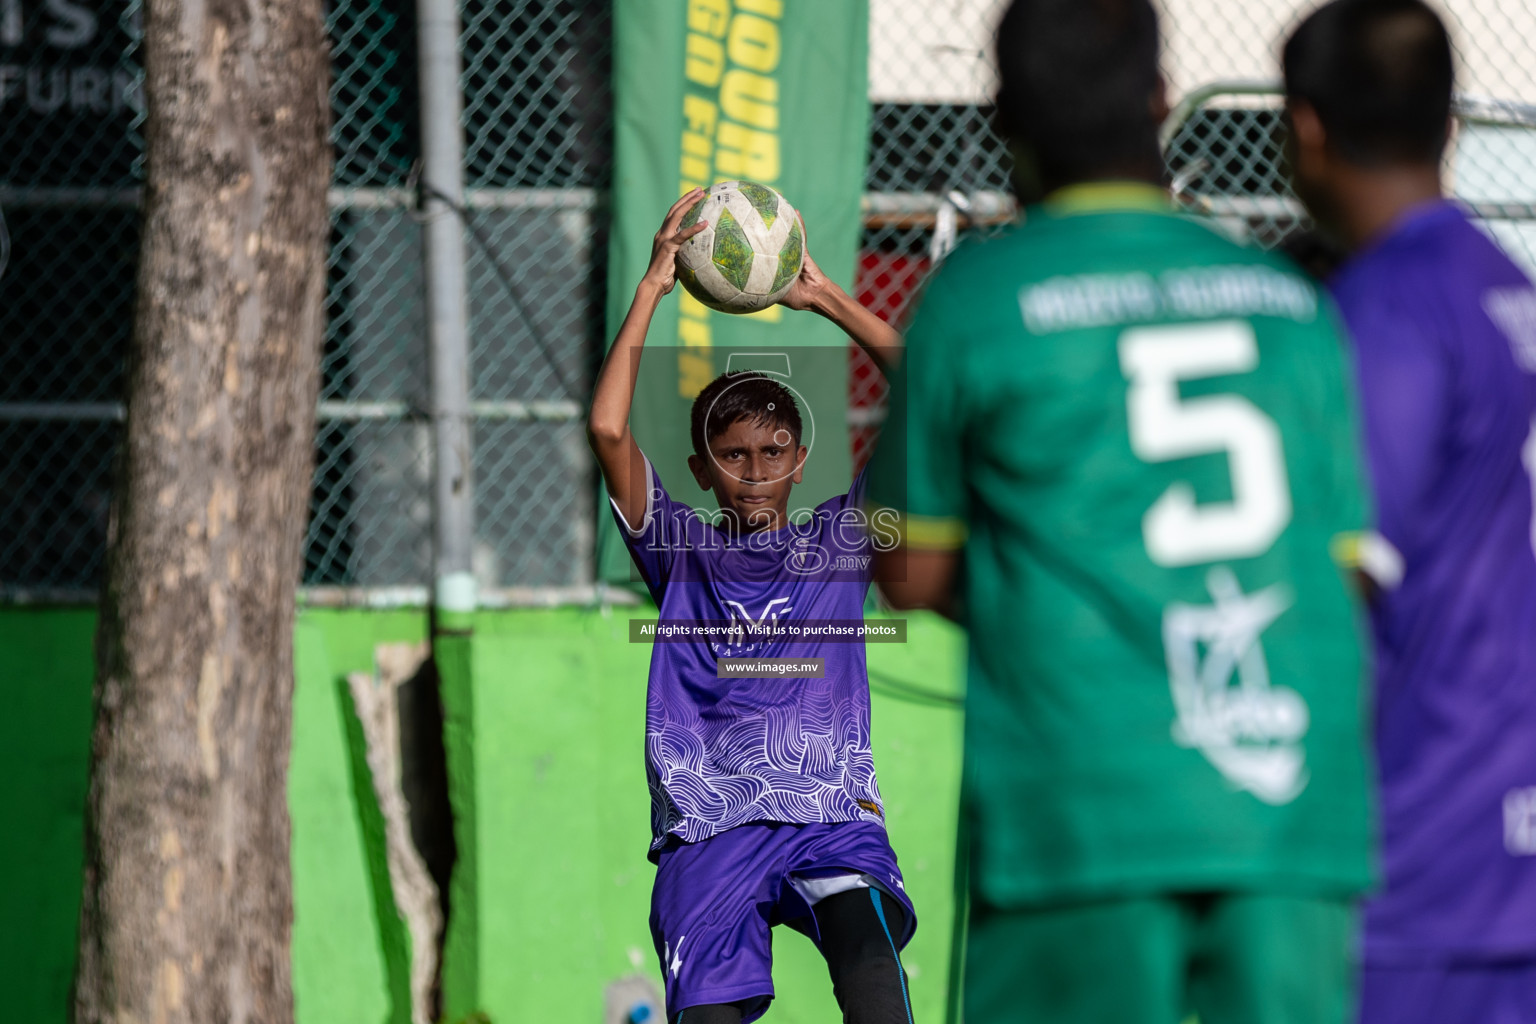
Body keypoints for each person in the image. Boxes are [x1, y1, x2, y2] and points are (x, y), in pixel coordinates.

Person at [865, 0, 1376, 1020]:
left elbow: (902, 561)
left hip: (1083, 806)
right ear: (1162, 102)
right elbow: (1351, 568)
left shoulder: (978, 297)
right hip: (1287, 806)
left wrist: (950, 547)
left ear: (1002, 120)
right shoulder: (1289, 302)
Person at [588, 190, 916, 1024]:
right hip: (709, 831)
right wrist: (653, 289)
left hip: (828, 815)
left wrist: (830, 298)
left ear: (802, 460)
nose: (757, 469)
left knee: (874, 989)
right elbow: (606, 429)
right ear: (703, 471)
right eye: (734, 455)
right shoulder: (679, 548)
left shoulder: (845, 539)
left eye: (773, 451)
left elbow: (930, 398)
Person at [1282, 3, 1536, 1021]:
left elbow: (1333, 589)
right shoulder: (1502, 285)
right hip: (1504, 842)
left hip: (1415, 859)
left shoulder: (1381, 311)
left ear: (1304, 127)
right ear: (1453, 124)